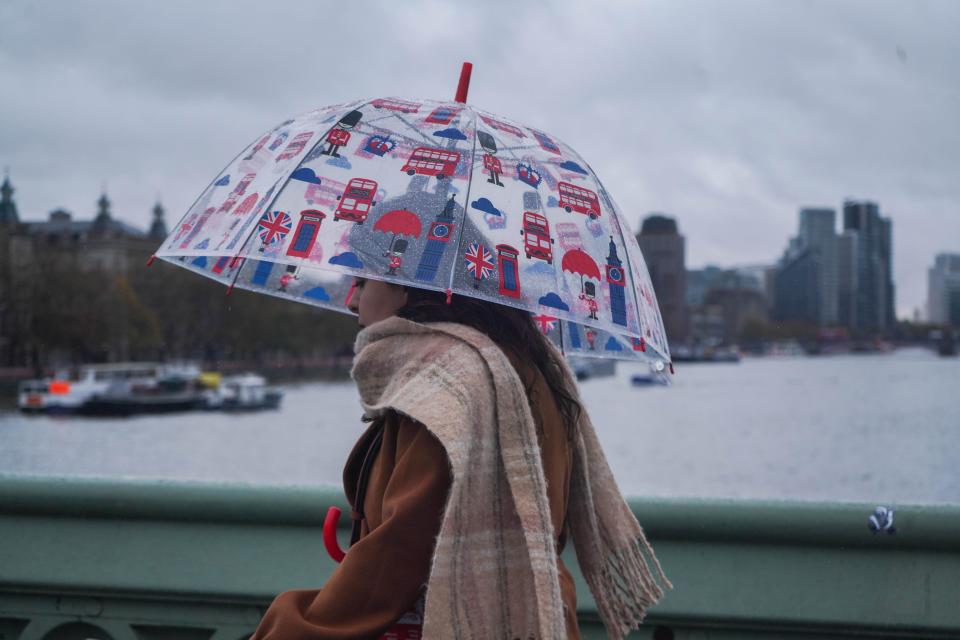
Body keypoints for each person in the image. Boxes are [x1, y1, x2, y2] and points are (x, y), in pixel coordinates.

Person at [250, 278, 669, 640]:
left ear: (406, 282)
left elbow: (400, 553)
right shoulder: (531, 365)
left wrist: (291, 625)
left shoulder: (445, 385)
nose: (351, 300)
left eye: (361, 281)